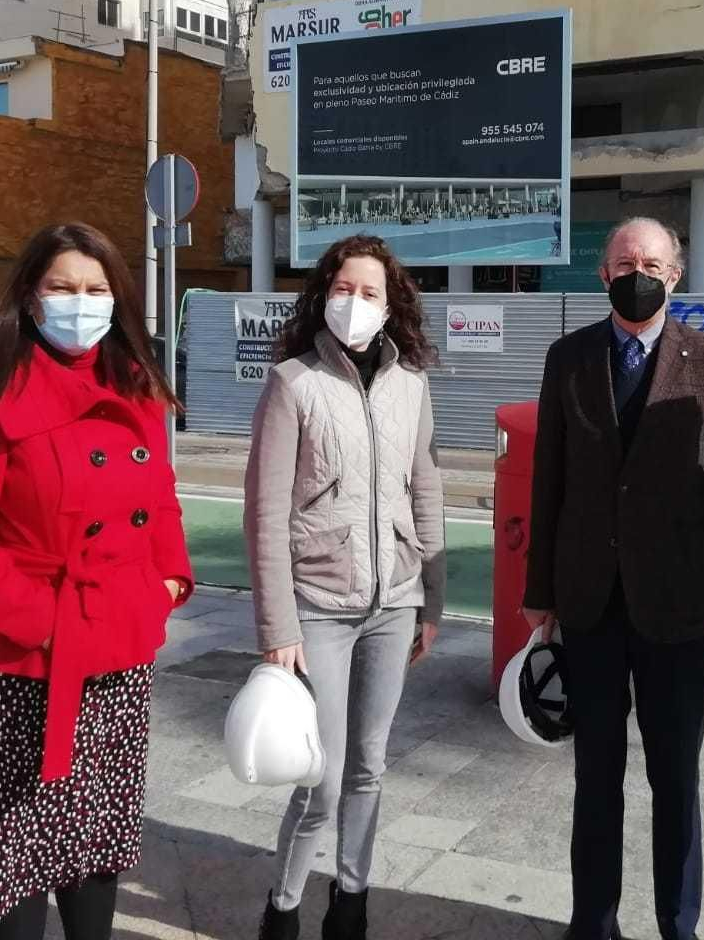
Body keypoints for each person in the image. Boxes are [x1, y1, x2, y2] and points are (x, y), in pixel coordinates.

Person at [0, 222, 192, 940]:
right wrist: (38, 620)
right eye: (63, 288)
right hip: (27, 659)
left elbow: (160, 501)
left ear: (117, 300)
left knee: (98, 837)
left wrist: (166, 585)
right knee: (18, 849)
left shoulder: (137, 385)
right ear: (31, 300)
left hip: (122, 650)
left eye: (96, 289)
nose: (81, 302)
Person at [524, 216, 704, 940]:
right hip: (591, 602)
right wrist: (540, 593)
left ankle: (676, 923)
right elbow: (549, 480)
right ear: (603, 274)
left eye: (652, 261)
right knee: (596, 777)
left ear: (675, 275)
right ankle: (592, 922)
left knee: (674, 779)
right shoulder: (569, 358)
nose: (638, 272)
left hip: (680, 609)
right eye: (625, 260)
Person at [246, 234, 446, 940]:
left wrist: (432, 598)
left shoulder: (411, 387)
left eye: (369, 294)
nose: (354, 303)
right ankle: (284, 903)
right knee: (321, 780)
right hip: (317, 610)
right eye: (343, 288)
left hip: (395, 601)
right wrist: (278, 630)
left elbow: (424, 489)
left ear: (390, 309)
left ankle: (352, 899)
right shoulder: (292, 384)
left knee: (369, 766)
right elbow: (266, 514)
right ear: (322, 294)